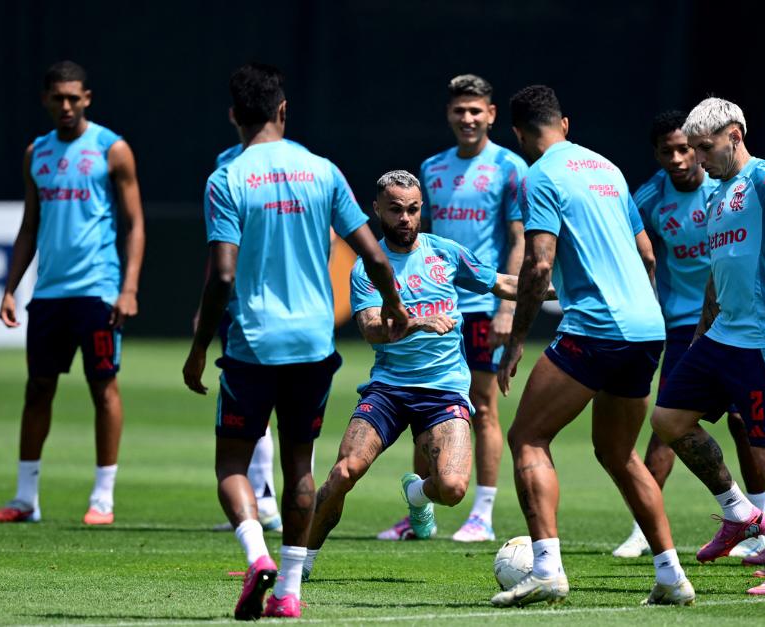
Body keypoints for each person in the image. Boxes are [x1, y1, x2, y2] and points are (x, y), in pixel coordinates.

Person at [182, 63, 407, 620]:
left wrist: (199, 346)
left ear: (234, 115)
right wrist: (394, 304)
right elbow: (375, 256)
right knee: (300, 467)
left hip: (253, 345)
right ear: (283, 110)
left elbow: (223, 275)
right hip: (312, 344)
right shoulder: (322, 171)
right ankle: (287, 592)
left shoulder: (226, 178)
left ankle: (255, 555)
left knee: (232, 466)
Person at [493, 85, 694, 608]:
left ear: (518, 134)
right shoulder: (607, 169)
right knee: (619, 453)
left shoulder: (540, 175)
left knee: (528, 438)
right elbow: (647, 255)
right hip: (647, 328)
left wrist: (516, 339)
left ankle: (546, 571)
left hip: (596, 328)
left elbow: (539, 263)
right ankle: (672, 576)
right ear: (565, 123)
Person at [303, 170, 533, 577]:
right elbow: (372, 329)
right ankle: (300, 565)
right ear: (377, 210)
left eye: (412, 209)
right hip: (389, 389)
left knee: (452, 489)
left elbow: (502, 283)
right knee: (343, 473)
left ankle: (416, 492)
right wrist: (416, 324)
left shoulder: (444, 253)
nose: (405, 218)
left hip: (444, 391)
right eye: (395, 210)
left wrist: (567, 289)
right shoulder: (368, 267)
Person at [649, 97, 765, 595]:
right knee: (667, 420)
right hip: (722, 336)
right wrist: (700, 335)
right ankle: (740, 512)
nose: (697, 158)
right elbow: (719, 271)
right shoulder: (716, 194)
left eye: (704, 147)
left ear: (734, 136)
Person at [0, 60, 145, 526]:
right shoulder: (37, 153)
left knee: (103, 387)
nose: (67, 105)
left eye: (75, 97)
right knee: (37, 389)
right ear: (46, 100)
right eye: (59, 98)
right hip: (49, 293)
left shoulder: (112, 149)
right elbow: (29, 227)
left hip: (97, 291)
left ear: (87, 98)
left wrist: (129, 288)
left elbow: (135, 224)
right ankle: (25, 499)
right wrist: (10, 288)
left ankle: (103, 498)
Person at [615, 110, 765, 559]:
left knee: (744, 422)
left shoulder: (727, 187)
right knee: (668, 420)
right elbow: (634, 254)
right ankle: (643, 528)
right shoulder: (648, 198)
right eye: (668, 152)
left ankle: (758, 528)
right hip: (685, 325)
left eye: (686, 149)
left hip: (740, 319)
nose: (679, 159)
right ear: (656, 155)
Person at [377, 74, 528, 542]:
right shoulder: (432, 168)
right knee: (421, 402)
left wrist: (507, 311)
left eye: (476, 110)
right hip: (432, 305)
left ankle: (481, 513)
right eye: (460, 110)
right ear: (449, 113)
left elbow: (519, 239)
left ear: (491, 115)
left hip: (482, 304)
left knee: (482, 405)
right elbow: (419, 238)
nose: (468, 118)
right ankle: (419, 511)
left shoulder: (509, 167)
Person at [204, 110, 310, 534]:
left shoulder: (299, 162)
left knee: (278, 416)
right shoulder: (226, 163)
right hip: (243, 304)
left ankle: (265, 505)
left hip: (270, 309)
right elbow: (220, 247)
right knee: (266, 415)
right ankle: (263, 502)